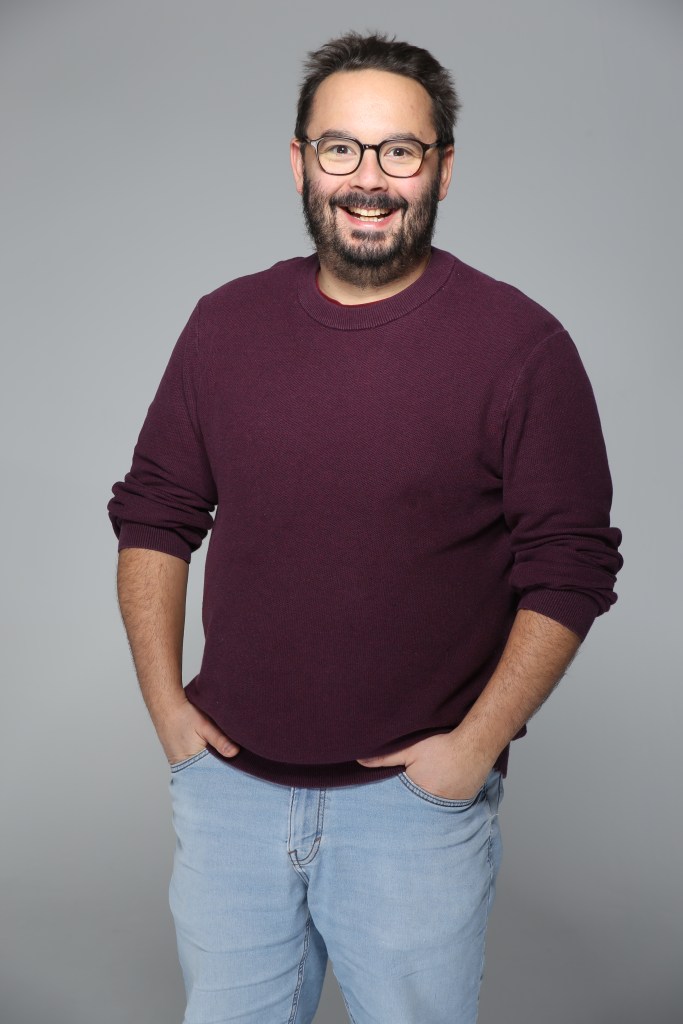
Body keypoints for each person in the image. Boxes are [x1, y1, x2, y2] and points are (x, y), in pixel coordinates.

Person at [108, 31, 622, 1024]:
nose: (369, 179)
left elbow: (569, 564)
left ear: (442, 169)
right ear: (299, 161)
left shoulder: (519, 346)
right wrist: (166, 709)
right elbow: (155, 513)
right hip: (227, 799)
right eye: (340, 148)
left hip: (412, 812)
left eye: (400, 151)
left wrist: (473, 748)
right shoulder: (223, 324)